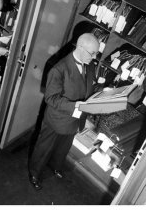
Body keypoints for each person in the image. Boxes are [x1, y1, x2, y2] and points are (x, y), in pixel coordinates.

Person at [28, 33, 100, 190]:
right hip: (57, 120)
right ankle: (34, 173)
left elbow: (87, 87)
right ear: (80, 47)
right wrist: (76, 106)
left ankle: (55, 166)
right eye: (92, 53)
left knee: (63, 148)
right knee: (44, 148)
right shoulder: (59, 69)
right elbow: (51, 98)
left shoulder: (90, 64)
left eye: (96, 53)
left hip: (75, 119)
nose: (95, 57)